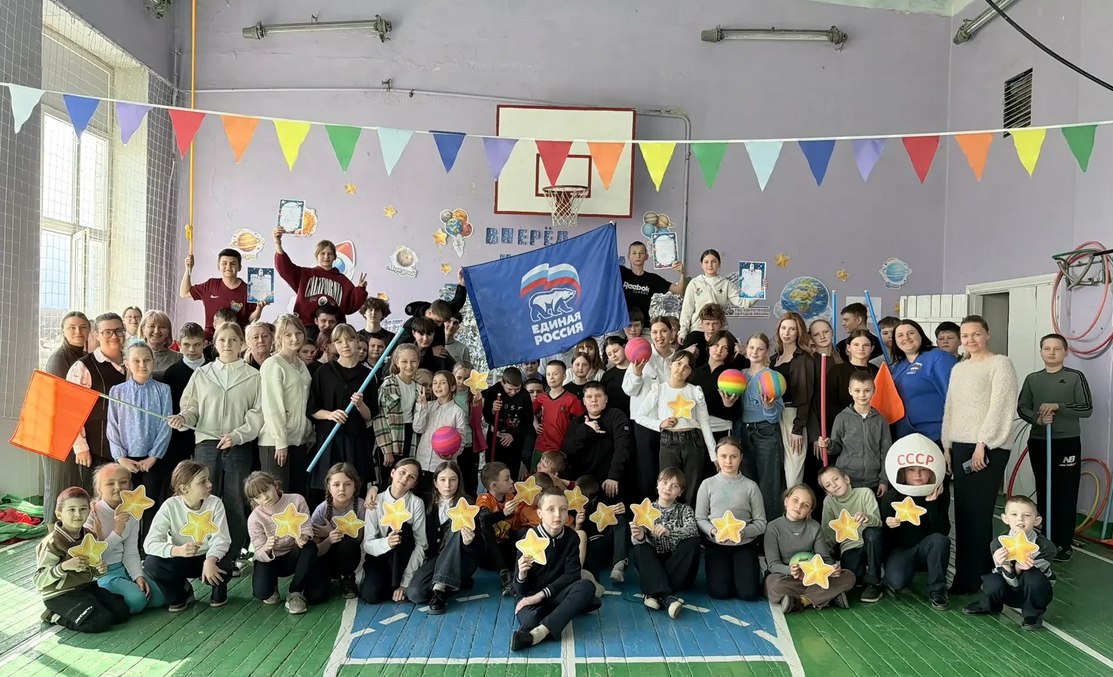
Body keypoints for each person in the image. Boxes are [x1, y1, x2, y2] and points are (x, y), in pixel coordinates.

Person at [168, 321, 264, 578]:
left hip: (238, 445)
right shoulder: (202, 374)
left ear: (242, 343)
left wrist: (237, 435)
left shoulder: (253, 376)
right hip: (207, 444)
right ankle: (202, 556)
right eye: (222, 340)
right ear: (215, 344)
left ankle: (228, 559)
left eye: (233, 340)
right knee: (203, 500)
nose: (227, 344)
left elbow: (257, 413)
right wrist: (183, 419)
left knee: (234, 501)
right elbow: (191, 408)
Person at [942, 315, 1018, 595]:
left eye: (976, 334)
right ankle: (972, 575)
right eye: (965, 335)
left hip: (988, 448)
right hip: (961, 445)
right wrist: (947, 444)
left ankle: (975, 579)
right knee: (963, 513)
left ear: (987, 334)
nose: (970, 339)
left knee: (979, 513)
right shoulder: (959, 369)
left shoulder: (1000, 364)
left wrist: (982, 442)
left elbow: (1001, 406)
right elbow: (950, 408)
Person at [1017, 333, 1092, 561]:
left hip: (1066, 442)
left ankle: (1063, 543)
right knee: (1044, 488)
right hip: (1039, 440)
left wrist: (1058, 406)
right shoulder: (1032, 379)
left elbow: (1086, 408)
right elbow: (1022, 408)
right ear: (1041, 352)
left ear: (1065, 352)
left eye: (1057, 348)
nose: (1051, 352)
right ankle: (1046, 539)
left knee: (1065, 492)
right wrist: (1038, 419)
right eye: (1047, 348)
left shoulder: (1074, 377)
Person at [509, 488, 602, 651]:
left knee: (587, 586)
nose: (557, 515)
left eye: (563, 509)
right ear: (540, 513)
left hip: (554, 592)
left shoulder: (571, 537)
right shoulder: (528, 538)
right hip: (530, 595)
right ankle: (565, 610)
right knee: (531, 620)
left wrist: (541, 595)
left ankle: (540, 633)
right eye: (550, 509)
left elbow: (572, 575)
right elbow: (519, 590)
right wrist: (522, 575)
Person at [35, 487, 130, 631]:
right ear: (59, 514)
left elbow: (92, 568)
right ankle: (52, 615)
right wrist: (64, 566)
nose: (78, 514)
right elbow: (39, 580)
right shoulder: (52, 543)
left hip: (85, 587)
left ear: (89, 511)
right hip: (59, 595)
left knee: (122, 611)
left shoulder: (89, 536)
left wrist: (99, 570)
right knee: (101, 621)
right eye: (71, 510)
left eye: (83, 509)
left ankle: (88, 607)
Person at [143, 461, 234, 610]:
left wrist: (210, 560)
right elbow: (149, 544)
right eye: (202, 482)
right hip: (182, 557)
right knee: (151, 564)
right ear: (184, 489)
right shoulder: (170, 506)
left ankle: (219, 588)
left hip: (207, 557)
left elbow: (221, 539)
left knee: (224, 560)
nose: (210, 484)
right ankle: (181, 593)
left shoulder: (215, 503)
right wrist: (177, 550)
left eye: (208, 479)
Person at [106, 340, 174, 536]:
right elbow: (112, 426)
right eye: (136, 361)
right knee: (125, 506)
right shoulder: (117, 391)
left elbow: (166, 426)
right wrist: (121, 457)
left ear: (153, 362)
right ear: (127, 363)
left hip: (153, 461)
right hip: (126, 459)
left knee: (150, 504)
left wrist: (153, 456)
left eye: (146, 360)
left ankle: (148, 546)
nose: (142, 365)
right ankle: (128, 545)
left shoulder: (163, 390)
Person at [963, 496, 1056, 630]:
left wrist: (1020, 568)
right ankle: (990, 605)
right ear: (1005, 518)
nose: (1020, 519)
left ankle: (1033, 615)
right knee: (992, 581)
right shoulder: (998, 543)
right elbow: (1005, 576)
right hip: (1008, 588)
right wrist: (1007, 566)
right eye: (1014, 514)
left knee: (1033, 576)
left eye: (1027, 515)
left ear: (1037, 521)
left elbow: (1040, 581)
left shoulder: (1046, 547)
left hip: (1033, 593)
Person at [880, 434, 950, 611]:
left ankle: (937, 591)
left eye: (923, 470)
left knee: (939, 540)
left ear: (931, 472)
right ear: (903, 473)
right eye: (911, 470)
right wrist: (888, 524)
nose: (918, 475)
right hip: (901, 551)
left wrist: (933, 504)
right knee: (896, 582)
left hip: (926, 548)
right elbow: (885, 540)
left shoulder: (939, 495)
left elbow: (943, 532)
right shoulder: (891, 496)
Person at [86, 464, 166, 613]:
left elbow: (131, 550)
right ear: (99, 489)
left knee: (160, 598)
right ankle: (103, 596)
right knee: (138, 600)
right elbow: (94, 556)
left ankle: (123, 593)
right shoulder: (92, 514)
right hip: (103, 572)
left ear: (130, 485)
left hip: (124, 567)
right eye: (110, 483)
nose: (118, 487)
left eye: (123, 482)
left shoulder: (132, 510)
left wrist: (138, 576)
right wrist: (117, 531)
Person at [406, 462, 484, 613]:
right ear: (435, 483)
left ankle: (440, 589)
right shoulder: (426, 500)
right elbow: (399, 489)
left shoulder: (467, 504)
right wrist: (374, 489)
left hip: (462, 559)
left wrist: (468, 542)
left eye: (453, 479)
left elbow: (479, 548)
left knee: (458, 523)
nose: (447, 485)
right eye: (442, 480)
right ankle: (456, 582)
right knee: (415, 594)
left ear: (459, 481)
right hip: (436, 559)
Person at [640, 351, 716, 505]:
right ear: (671, 364)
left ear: (690, 372)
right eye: (678, 364)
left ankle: (688, 519)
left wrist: (714, 455)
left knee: (692, 487)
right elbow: (640, 416)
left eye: (687, 367)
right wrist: (660, 424)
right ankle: (667, 519)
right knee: (667, 485)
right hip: (668, 441)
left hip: (693, 441)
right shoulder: (659, 389)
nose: (681, 369)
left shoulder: (695, 391)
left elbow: (705, 423)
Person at [764, 484, 854, 613]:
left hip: (814, 576)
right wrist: (790, 570)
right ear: (786, 501)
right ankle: (828, 597)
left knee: (849, 576)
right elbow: (773, 565)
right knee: (772, 583)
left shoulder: (814, 527)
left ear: (809, 512)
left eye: (805, 505)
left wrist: (831, 569)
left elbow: (825, 558)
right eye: (795, 500)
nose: (799, 506)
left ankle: (801, 601)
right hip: (788, 577)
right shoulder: (773, 527)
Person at [695, 437, 766, 600]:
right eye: (724, 456)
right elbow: (700, 518)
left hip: (744, 545)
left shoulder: (751, 486)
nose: (728, 461)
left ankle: (754, 571)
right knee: (719, 593)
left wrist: (744, 532)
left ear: (741, 458)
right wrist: (713, 531)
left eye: (733, 456)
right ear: (717, 457)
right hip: (716, 545)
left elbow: (761, 523)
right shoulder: (707, 484)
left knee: (748, 594)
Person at [309, 325, 376, 495]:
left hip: (356, 441)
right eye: (339, 341)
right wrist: (330, 415)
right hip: (330, 441)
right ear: (333, 345)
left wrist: (360, 404)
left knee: (355, 490)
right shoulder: (323, 372)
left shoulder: (367, 374)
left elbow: (370, 416)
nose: (345, 345)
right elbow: (312, 409)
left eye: (350, 340)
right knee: (330, 491)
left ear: (357, 341)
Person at [244, 471, 324, 614]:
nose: (265, 498)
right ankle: (272, 585)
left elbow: (307, 528)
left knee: (310, 547)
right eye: (258, 497)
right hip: (272, 560)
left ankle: (295, 592)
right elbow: (259, 551)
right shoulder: (254, 518)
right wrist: (267, 548)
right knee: (262, 594)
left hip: (294, 555)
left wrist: (303, 537)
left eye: (266, 490)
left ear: (275, 485)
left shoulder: (297, 500)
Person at [630, 467, 700, 618]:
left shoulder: (685, 510)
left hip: (678, 565)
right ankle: (667, 597)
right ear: (657, 484)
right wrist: (640, 536)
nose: (668, 488)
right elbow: (636, 540)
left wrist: (669, 532)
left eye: (674, 486)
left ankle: (653, 593)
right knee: (640, 548)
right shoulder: (645, 509)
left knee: (693, 541)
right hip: (655, 564)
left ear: (680, 492)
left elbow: (692, 530)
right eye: (665, 482)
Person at [67, 312, 128, 481]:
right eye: (107, 332)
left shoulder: (133, 362)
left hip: (129, 450)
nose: (114, 336)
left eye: (118, 331)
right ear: (97, 335)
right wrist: (80, 447)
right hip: (96, 450)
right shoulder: (83, 367)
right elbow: (71, 411)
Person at [43, 311, 91, 518]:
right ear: (63, 331)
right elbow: (66, 403)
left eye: (83, 327)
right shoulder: (59, 359)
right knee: (57, 485)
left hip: (76, 430)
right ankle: (51, 531)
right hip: (57, 432)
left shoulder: (84, 355)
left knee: (73, 484)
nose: (78, 331)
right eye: (72, 327)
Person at [623, 316, 677, 499]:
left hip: (670, 422)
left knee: (668, 470)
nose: (659, 336)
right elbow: (628, 390)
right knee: (647, 469)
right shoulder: (641, 354)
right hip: (645, 423)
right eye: (654, 332)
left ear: (671, 333)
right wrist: (637, 373)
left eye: (663, 331)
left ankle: (667, 506)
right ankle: (647, 509)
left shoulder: (677, 357)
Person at [259, 314, 313, 496]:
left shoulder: (301, 364)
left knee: (296, 497)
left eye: (298, 333)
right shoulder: (273, 364)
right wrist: (280, 441)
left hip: (299, 441)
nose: (294, 338)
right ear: (279, 337)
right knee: (277, 497)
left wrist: (308, 433)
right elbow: (272, 406)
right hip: (276, 443)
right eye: (288, 334)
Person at [360, 458, 427, 604]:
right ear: (392, 473)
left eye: (411, 477)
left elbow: (421, 544)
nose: (405, 478)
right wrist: (387, 543)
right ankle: (383, 583)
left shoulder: (416, 503)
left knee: (402, 526)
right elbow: (367, 543)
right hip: (380, 557)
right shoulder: (375, 501)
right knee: (371, 595)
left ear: (414, 484)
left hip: (404, 558)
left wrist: (405, 583)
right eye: (402, 472)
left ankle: (398, 584)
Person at [156, 322, 209, 505]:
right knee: (180, 479)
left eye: (197, 344)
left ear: (205, 344)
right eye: (187, 345)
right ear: (179, 344)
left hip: (206, 432)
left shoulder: (213, 369)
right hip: (179, 436)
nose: (192, 349)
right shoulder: (172, 373)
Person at [738, 333, 786, 522]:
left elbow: (775, 416)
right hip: (742, 431)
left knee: (769, 483)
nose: (755, 352)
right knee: (747, 481)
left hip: (766, 432)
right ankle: (751, 526)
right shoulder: (739, 374)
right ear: (746, 349)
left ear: (767, 351)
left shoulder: (771, 377)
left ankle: (770, 528)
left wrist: (768, 407)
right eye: (751, 347)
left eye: (760, 348)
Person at [816, 371, 891, 494]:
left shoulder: (881, 421)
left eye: (867, 390)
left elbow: (886, 452)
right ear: (850, 391)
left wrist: (884, 481)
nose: (862, 395)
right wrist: (828, 444)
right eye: (857, 390)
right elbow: (836, 447)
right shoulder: (841, 418)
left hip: (873, 482)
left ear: (874, 390)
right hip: (846, 481)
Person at [273, 231, 368, 327]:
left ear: (335, 257)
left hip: (333, 328)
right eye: (322, 253)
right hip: (307, 326)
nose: (326, 257)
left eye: (330, 254)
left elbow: (351, 304)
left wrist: (360, 289)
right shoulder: (305, 274)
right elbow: (285, 268)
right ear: (316, 255)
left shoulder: (342, 281)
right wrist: (278, 243)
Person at [818, 466, 883, 603]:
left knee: (872, 533)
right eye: (828, 485)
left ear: (846, 479)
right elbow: (828, 535)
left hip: (870, 542)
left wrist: (867, 518)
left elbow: (878, 522)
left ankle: (874, 583)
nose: (834, 485)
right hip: (850, 546)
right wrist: (825, 561)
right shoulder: (829, 502)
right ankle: (866, 572)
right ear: (827, 492)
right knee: (854, 578)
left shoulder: (865, 493)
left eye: (836, 479)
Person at [562, 382, 632, 499]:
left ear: (606, 399)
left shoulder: (616, 416)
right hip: (584, 484)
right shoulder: (578, 421)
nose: (594, 400)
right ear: (584, 401)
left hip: (611, 481)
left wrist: (613, 476)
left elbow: (623, 447)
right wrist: (586, 429)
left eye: (598, 396)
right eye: (589, 397)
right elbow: (568, 450)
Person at [890, 320, 955, 443]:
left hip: (935, 435)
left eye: (911, 333)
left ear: (920, 335)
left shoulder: (938, 358)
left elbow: (954, 397)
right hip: (906, 437)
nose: (906, 338)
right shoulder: (898, 366)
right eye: (900, 335)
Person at [771, 312, 816, 491]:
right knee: (777, 469)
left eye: (792, 329)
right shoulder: (774, 359)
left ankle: (795, 501)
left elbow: (805, 396)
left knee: (793, 469)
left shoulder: (803, 359)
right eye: (783, 328)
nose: (787, 333)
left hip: (793, 416)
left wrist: (798, 428)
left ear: (799, 332)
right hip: (773, 414)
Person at [310, 462, 367, 599]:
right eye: (336, 484)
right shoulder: (322, 510)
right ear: (328, 487)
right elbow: (314, 547)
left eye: (347, 484)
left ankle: (347, 577)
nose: (342, 489)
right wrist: (329, 538)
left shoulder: (360, 506)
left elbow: (358, 539)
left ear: (355, 486)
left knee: (348, 543)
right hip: (324, 556)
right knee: (315, 596)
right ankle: (325, 578)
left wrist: (330, 532)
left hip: (348, 555)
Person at [180, 250, 265, 339]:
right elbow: (184, 293)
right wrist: (188, 269)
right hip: (210, 339)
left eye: (233, 264)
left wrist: (259, 309)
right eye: (224, 263)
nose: (228, 267)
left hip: (236, 339)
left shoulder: (249, 290)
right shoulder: (210, 285)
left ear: (239, 267)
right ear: (218, 266)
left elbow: (250, 319)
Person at [413, 370, 468, 502]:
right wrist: (422, 407)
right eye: (435, 383)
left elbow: (461, 440)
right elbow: (418, 428)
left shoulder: (457, 412)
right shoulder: (427, 406)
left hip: (443, 466)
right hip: (422, 462)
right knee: (421, 499)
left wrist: (452, 455)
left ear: (452, 387)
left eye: (442, 383)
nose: (437, 386)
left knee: (438, 501)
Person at [475, 462, 525, 595]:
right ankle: (504, 574)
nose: (512, 481)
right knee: (485, 526)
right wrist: (503, 513)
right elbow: (484, 519)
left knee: (525, 532)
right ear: (494, 486)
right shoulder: (485, 499)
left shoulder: (511, 497)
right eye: (507, 479)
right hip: (488, 554)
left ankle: (525, 574)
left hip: (507, 550)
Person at [374, 344, 423, 478]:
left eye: (413, 361)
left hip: (410, 434)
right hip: (392, 437)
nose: (409, 366)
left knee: (407, 475)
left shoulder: (418, 387)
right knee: (389, 478)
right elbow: (380, 417)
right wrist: (387, 449)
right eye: (404, 361)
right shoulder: (389, 383)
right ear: (396, 362)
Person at [689, 329, 745, 445]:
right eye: (716, 345)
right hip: (696, 432)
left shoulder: (732, 376)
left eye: (725, 347)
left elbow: (736, 415)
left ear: (729, 352)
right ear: (709, 346)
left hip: (721, 432)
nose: (719, 350)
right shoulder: (696, 372)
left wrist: (728, 405)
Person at [820, 330, 879, 431]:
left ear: (871, 348)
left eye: (866, 345)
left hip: (873, 426)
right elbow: (829, 404)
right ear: (848, 347)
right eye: (856, 344)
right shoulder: (837, 371)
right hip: (845, 427)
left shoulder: (876, 370)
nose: (861, 348)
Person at [533, 361, 586, 470]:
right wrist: (536, 425)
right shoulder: (541, 397)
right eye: (548, 374)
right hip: (541, 445)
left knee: (554, 477)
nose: (551, 377)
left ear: (564, 376)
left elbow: (582, 418)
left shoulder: (571, 399)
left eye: (555, 374)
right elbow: (530, 412)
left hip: (560, 447)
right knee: (536, 476)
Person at [482, 367, 533, 477]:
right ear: (502, 382)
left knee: (511, 474)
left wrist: (513, 435)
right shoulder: (493, 392)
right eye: (509, 389)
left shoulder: (524, 395)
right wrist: (493, 410)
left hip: (514, 441)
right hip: (495, 439)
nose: (513, 392)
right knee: (493, 472)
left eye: (517, 389)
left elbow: (528, 422)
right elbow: (487, 417)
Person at [621, 241, 685, 324]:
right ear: (628, 256)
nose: (638, 256)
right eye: (634, 253)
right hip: (622, 324)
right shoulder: (621, 273)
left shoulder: (653, 279)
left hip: (644, 325)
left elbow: (679, 290)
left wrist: (682, 273)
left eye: (641, 253)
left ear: (646, 256)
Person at [679, 249, 734, 340]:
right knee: (689, 347)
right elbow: (686, 310)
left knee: (734, 347)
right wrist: (683, 332)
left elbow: (741, 301)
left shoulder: (726, 283)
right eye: (706, 262)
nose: (710, 265)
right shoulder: (694, 283)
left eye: (714, 261)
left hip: (720, 329)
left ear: (719, 264)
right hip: (698, 328)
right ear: (701, 264)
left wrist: (757, 292)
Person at [453, 364, 486, 496]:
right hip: (451, 444)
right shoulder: (447, 394)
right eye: (459, 377)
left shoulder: (474, 396)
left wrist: (477, 405)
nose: (462, 382)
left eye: (466, 378)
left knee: (470, 480)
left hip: (468, 443)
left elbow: (475, 423)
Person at [139, 310, 182, 380]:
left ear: (168, 332)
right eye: (152, 326)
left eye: (162, 327)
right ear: (143, 330)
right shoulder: (134, 356)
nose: (156, 331)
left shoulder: (179, 358)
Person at [680, 303, 726, 368]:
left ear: (721, 324)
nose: (711, 328)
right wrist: (686, 353)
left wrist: (741, 353)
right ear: (702, 324)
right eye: (707, 324)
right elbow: (676, 360)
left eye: (715, 324)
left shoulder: (728, 339)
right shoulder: (693, 338)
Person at [600, 336, 631, 416]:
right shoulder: (607, 375)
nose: (613, 356)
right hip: (615, 418)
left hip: (637, 416)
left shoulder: (637, 369)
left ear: (624, 347)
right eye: (609, 354)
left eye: (616, 351)